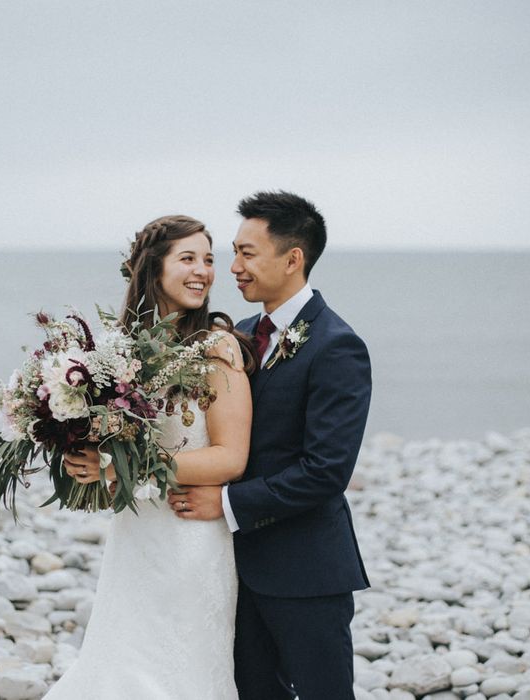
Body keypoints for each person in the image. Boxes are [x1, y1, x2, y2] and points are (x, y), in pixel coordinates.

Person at [168, 192, 371, 700]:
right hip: (232, 570)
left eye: (247, 254)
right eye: (232, 252)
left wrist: (228, 502)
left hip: (306, 570)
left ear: (293, 258)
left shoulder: (336, 345)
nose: (232, 268)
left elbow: (325, 470)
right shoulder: (234, 336)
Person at [41, 215, 254, 699]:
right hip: (137, 536)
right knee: (119, 662)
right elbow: (122, 443)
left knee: (177, 674)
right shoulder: (120, 353)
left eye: (208, 260)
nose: (202, 270)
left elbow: (230, 458)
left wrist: (121, 465)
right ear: (152, 268)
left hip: (191, 540)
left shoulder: (216, 348)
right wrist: (84, 456)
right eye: (188, 258)